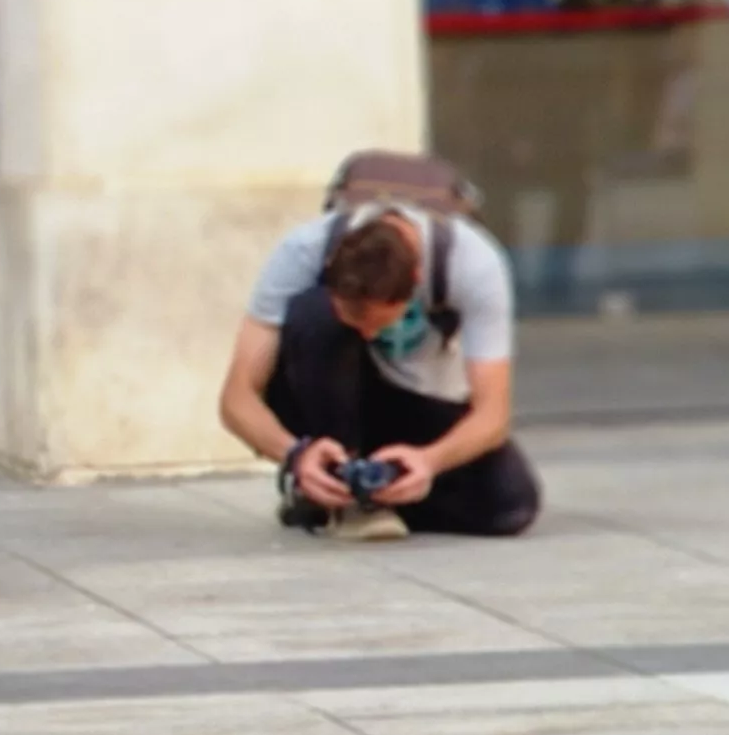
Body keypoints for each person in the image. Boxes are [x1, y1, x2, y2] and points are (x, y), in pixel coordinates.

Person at [217, 197, 539, 539]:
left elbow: (493, 415)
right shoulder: (302, 250)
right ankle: (337, 484)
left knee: (510, 504)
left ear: (415, 280)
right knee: (315, 317)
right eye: (355, 321)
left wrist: (430, 461)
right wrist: (295, 455)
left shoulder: (473, 263)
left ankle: (372, 490)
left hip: (419, 398)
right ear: (329, 265)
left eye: (378, 322)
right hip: (326, 398)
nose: (368, 335)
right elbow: (235, 400)